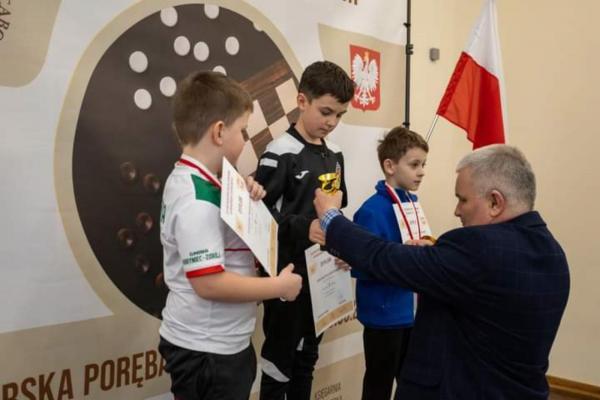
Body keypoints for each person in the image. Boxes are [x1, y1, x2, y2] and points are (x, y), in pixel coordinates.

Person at [314, 144, 570, 399]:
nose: (457, 210)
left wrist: (331, 218)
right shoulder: (553, 253)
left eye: (463, 199)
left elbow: (383, 257)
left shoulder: (480, 248)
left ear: (495, 202)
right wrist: (439, 256)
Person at [158, 71, 302, 400]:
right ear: (219, 131)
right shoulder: (196, 197)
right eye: (243, 131)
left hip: (219, 344)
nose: (246, 140)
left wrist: (246, 196)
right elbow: (209, 283)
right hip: (208, 351)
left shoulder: (206, 181)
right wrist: (278, 287)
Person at [254, 60, 355, 400]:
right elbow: (258, 218)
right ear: (301, 101)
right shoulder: (279, 153)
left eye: (339, 115)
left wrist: (340, 243)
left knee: (307, 358)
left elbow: (336, 208)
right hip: (287, 275)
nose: (332, 122)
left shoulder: (336, 154)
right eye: (326, 112)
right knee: (278, 363)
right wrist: (303, 227)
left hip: (323, 275)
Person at [352, 127, 431, 400]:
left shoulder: (412, 203)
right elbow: (362, 264)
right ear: (390, 166)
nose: (421, 172)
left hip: (410, 311)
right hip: (384, 315)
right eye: (414, 165)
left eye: (423, 165)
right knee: (379, 384)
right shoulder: (372, 211)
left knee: (410, 382)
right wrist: (401, 256)